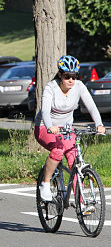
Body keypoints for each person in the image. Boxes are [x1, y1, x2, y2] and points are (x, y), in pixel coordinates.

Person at [35, 55, 105, 202]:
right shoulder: (50, 88)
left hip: (66, 129)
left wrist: (99, 124)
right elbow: (45, 112)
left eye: (74, 76)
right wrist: (50, 127)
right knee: (58, 151)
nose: (71, 80)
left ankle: (82, 202)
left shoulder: (79, 86)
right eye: (67, 76)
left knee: (75, 161)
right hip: (45, 127)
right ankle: (45, 184)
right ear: (60, 74)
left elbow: (91, 106)